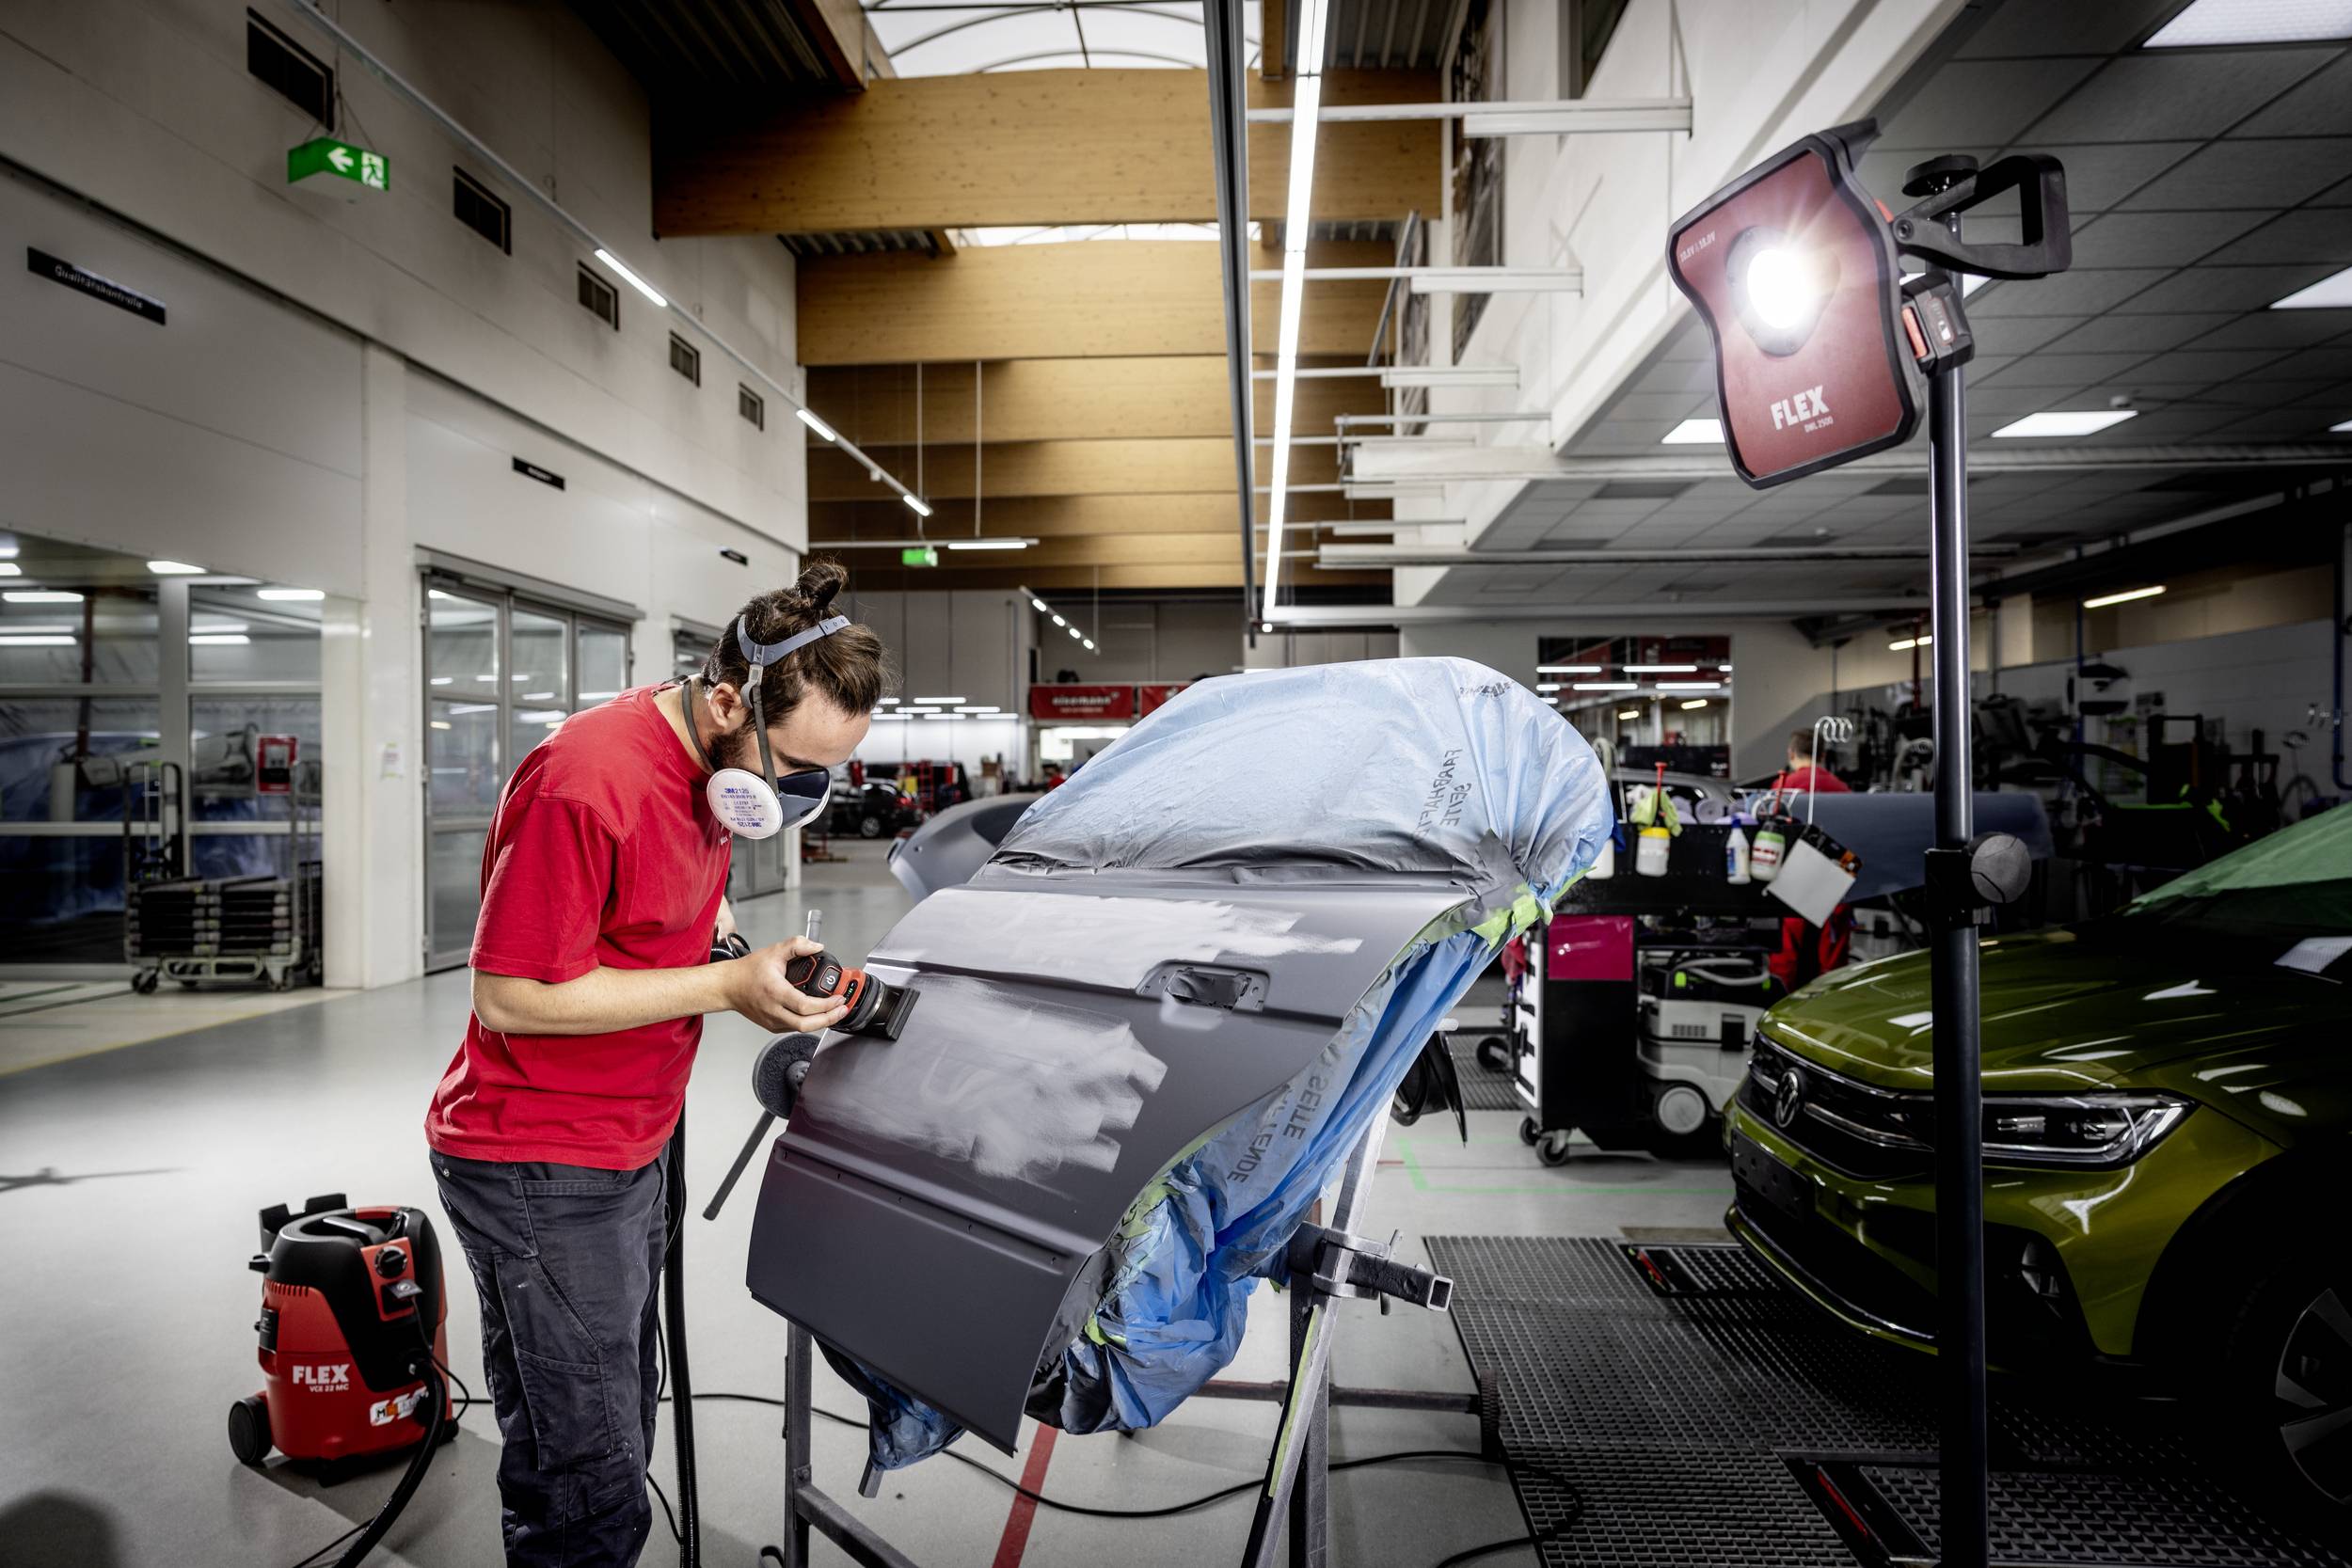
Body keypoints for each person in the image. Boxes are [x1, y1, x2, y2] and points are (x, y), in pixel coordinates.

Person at [424, 560, 887, 1566]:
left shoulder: (708, 761)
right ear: (729, 700)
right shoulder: (588, 777)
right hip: (540, 1156)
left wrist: (739, 961)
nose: (801, 794)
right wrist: (723, 991)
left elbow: (682, 906)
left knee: (615, 1416)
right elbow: (509, 995)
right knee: (585, 1476)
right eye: (794, 767)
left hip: (634, 1136)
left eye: (827, 773)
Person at [1767, 727, 1853, 990]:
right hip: (1838, 866)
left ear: (1791, 753)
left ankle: (1781, 996)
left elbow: (1770, 830)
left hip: (1796, 868)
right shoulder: (1843, 789)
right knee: (1834, 941)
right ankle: (1831, 996)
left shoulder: (1784, 786)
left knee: (1788, 942)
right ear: (1824, 755)